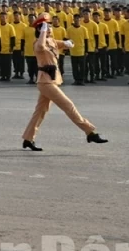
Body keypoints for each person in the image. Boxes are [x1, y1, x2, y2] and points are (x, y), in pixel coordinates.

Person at [22, 13, 106, 152]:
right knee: (68, 105)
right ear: (40, 30)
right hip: (45, 82)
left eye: (49, 26)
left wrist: (68, 43)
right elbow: (42, 47)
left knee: (40, 112)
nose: (49, 29)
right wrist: (42, 31)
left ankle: (28, 139)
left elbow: (64, 44)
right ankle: (90, 132)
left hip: (52, 80)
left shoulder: (52, 41)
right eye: (46, 27)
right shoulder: (38, 43)